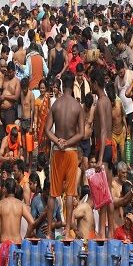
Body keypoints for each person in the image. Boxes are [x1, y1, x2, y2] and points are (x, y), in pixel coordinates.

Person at [45, 71, 84, 239]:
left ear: (61, 85)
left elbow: (47, 130)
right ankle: (67, 230)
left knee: (53, 193)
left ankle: (48, 232)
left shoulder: (56, 105)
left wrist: (58, 141)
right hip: (71, 152)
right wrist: (67, 143)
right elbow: (81, 133)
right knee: (69, 193)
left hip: (58, 151)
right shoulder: (77, 106)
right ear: (73, 83)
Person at [90, 68, 115, 238]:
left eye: (91, 82)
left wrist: (99, 159)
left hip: (104, 148)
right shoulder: (107, 101)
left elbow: (104, 129)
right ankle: (110, 231)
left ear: (95, 83)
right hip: (108, 147)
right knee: (109, 193)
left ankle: (102, 233)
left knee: (103, 195)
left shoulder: (100, 102)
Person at [0, 177, 34, 243]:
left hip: (4, 243)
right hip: (18, 243)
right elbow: (32, 222)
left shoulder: (0, 204)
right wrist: (26, 237)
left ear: (5, 189)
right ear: (15, 190)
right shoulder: (21, 204)